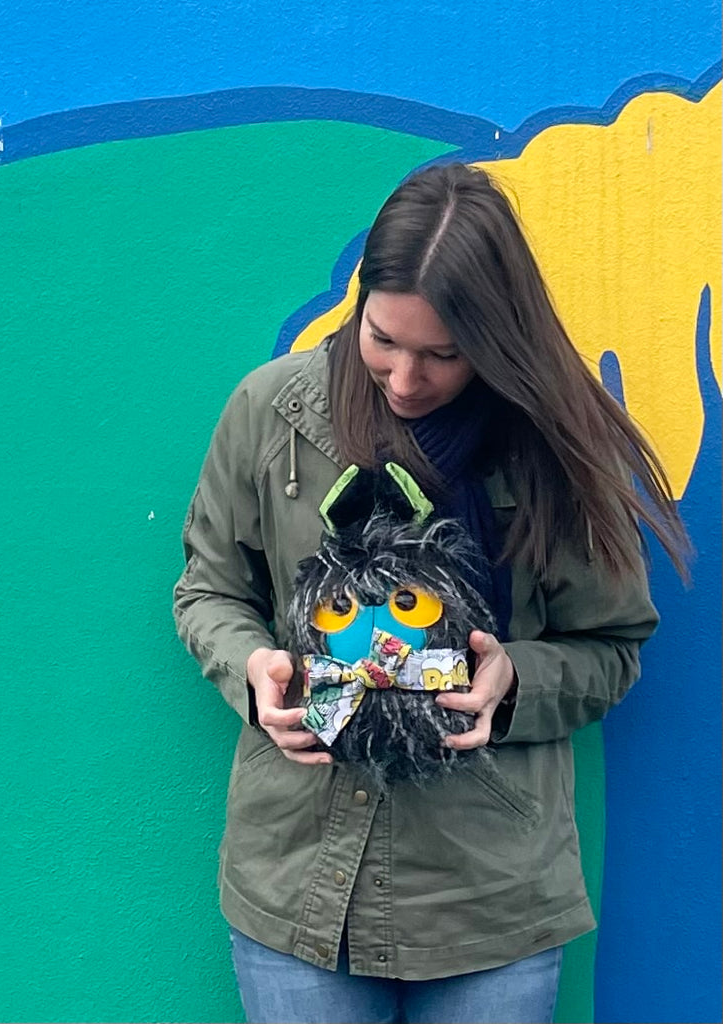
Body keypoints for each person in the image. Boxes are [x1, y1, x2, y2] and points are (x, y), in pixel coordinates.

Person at [172, 162, 689, 1024]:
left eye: (445, 355)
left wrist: (513, 682)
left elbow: (613, 644)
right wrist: (252, 670)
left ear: (496, 337)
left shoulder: (553, 447)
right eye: (383, 340)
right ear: (359, 303)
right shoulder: (270, 413)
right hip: (300, 884)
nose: (407, 379)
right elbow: (208, 589)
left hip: (491, 901)